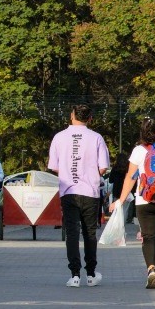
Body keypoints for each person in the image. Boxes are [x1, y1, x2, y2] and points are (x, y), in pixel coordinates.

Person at [111, 116, 155, 289]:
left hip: (144, 201)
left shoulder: (138, 151)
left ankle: (151, 270)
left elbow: (130, 177)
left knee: (148, 237)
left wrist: (120, 200)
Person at [48, 104, 109, 288]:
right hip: (90, 191)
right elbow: (103, 167)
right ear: (90, 118)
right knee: (90, 232)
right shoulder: (96, 138)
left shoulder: (59, 137)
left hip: (68, 190)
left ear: (72, 115)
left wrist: (70, 169)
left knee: (72, 232)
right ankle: (91, 274)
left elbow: (55, 166)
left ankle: (74, 275)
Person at [109, 152, 138, 237]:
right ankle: (122, 227)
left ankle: (116, 228)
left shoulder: (115, 168)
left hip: (117, 191)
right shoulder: (128, 167)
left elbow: (110, 180)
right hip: (127, 192)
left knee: (117, 210)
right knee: (125, 210)